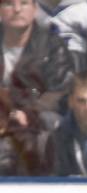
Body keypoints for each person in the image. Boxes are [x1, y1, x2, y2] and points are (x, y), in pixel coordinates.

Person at [0, 0, 74, 175]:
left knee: (51, 121)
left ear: (34, 9)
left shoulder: (52, 44)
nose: (17, 10)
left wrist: (28, 113)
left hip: (35, 115)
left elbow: (60, 90)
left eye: (24, 3)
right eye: (9, 4)